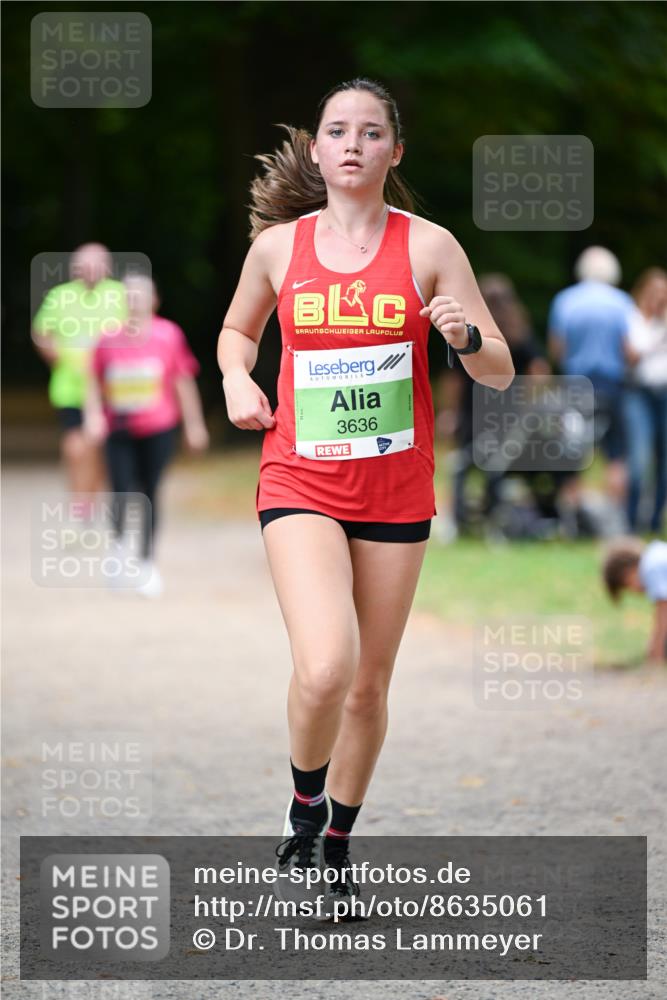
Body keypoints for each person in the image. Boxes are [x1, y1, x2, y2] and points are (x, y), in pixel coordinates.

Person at [217, 78, 514, 918]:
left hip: (394, 486)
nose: (352, 143)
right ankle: (303, 806)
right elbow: (238, 329)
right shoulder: (280, 248)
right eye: (336, 130)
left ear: (393, 152)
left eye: (370, 131)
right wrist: (239, 378)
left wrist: (460, 332)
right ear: (315, 149)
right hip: (301, 476)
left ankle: (336, 845)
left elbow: (498, 369)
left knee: (367, 687)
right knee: (324, 668)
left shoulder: (429, 247)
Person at [85, 274, 209, 597]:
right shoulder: (107, 338)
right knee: (121, 492)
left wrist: (194, 425)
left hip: (158, 427)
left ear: (154, 300)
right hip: (119, 429)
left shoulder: (169, 335)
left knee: (151, 491)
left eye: (141, 295)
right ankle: (117, 550)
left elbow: (183, 381)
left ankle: (146, 563)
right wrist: (93, 415)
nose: (134, 300)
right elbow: (93, 383)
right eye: (129, 295)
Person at [438, 273, 549, 537]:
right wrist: (526, 400)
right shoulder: (519, 334)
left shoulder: (468, 330)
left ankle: (460, 521)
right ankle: (494, 517)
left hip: (471, 411)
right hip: (507, 413)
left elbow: (454, 379)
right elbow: (540, 371)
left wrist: (450, 412)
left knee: (463, 465)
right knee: (496, 467)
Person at [31, 243, 127, 508]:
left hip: (111, 387)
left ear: (107, 267)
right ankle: (80, 500)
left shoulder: (120, 295)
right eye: (84, 264)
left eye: (96, 264)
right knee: (76, 446)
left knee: (102, 446)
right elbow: (41, 333)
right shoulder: (60, 296)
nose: (90, 270)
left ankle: (92, 497)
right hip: (71, 385)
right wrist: (57, 357)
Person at [547, 246, 635, 516]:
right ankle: (618, 518)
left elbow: (556, 348)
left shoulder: (565, 300)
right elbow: (630, 349)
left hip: (575, 385)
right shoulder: (622, 302)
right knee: (616, 454)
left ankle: (573, 517)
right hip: (612, 385)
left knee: (573, 451)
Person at [623, 267, 667, 533]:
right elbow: (632, 356)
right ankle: (631, 522)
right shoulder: (632, 319)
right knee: (639, 459)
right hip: (638, 392)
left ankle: (654, 521)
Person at [602, 537, 667, 664]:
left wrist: (655, 652)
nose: (635, 592)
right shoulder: (656, 553)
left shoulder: (651, 568)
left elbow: (663, 611)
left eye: (627, 585)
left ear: (627, 573)